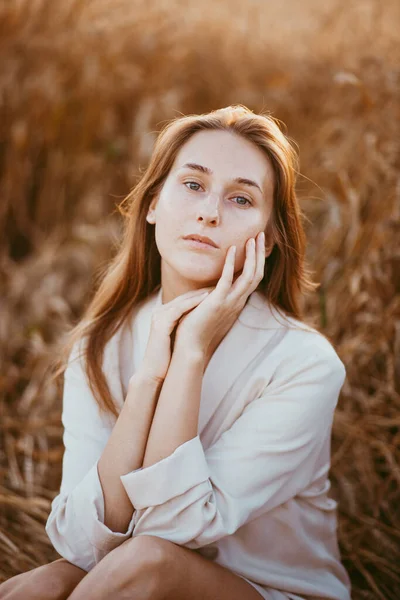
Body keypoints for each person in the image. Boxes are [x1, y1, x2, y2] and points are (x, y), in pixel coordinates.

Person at [0, 105, 352, 600]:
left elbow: (170, 534)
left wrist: (190, 354)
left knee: (148, 563)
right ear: (151, 204)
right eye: (192, 185)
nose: (209, 211)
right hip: (133, 576)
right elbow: (81, 541)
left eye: (241, 199)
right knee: (39, 584)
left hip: (270, 591)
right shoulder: (100, 342)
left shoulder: (304, 364)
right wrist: (149, 377)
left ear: (269, 240)